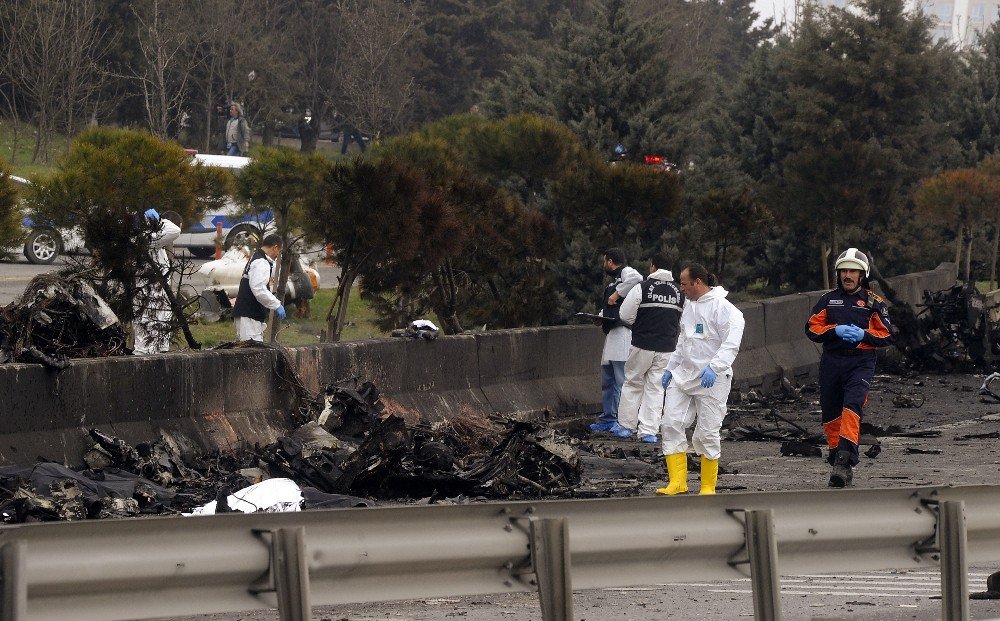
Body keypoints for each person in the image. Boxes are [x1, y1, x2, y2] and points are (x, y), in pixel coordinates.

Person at [805, 248, 894, 488]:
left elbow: (887, 334)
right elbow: (812, 329)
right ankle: (836, 456)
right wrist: (834, 330)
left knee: (852, 407)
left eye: (853, 271)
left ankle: (844, 461)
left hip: (861, 362)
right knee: (831, 412)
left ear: (862, 274)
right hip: (832, 361)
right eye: (844, 270)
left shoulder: (874, 302)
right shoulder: (827, 300)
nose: (848, 275)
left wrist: (864, 334)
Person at [657, 263, 744, 495]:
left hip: (711, 379)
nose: (681, 288)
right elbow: (683, 341)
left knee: (707, 431)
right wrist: (670, 367)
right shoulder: (689, 306)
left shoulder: (724, 308)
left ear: (698, 282)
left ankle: (707, 486)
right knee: (670, 423)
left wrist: (714, 367)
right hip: (683, 375)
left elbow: (731, 342)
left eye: (684, 284)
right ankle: (677, 482)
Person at [614, 253, 684, 442]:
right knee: (656, 388)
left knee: (633, 382)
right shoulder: (679, 292)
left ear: (653, 267)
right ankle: (648, 431)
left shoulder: (642, 288)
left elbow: (625, 314)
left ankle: (626, 426)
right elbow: (684, 322)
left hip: (642, 344)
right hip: (667, 347)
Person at [589, 248, 642, 434]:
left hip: (623, 335)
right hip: (611, 334)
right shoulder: (614, 282)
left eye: (605, 262)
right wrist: (600, 316)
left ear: (610, 261)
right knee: (608, 380)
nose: (605, 265)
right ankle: (608, 418)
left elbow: (638, 278)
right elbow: (614, 309)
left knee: (621, 381)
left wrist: (617, 293)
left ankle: (624, 420)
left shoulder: (626, 273)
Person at [133, 209, 181, 355]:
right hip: (147, 294)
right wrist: (157, 220)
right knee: (145, 335)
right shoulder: (148, 239)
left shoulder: (156, 243)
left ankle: (159, 351)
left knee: (156, 332)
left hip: (156, 295)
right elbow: (174, 229)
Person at [232, 233, 286, 342]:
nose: (277, 256)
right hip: (249, 313)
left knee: (247, 349)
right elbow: (258, 289)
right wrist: (276, 305)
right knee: (251, 353)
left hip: (246, 313)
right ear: (275, 248)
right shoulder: (261, 262)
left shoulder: (256, 257)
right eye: (279, 252)